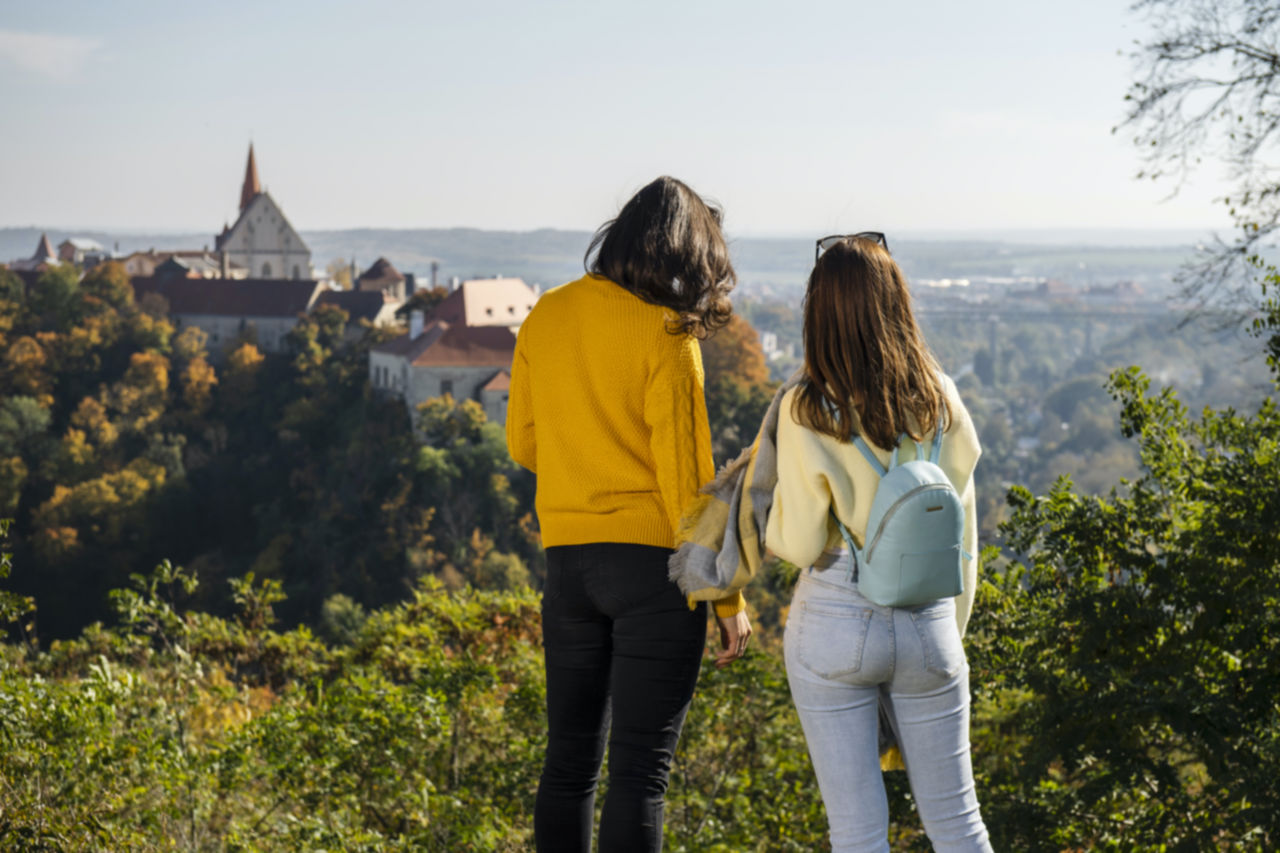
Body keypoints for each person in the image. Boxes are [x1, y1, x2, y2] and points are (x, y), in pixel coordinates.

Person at [506, 176, 753, 853]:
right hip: (653, 572)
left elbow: (522, 441)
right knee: (639, 774)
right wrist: (726, 595)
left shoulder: (546, 314)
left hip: (568, 565)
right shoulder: (668, 334)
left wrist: (583, 463)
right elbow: (686, 485)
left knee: (567, 765)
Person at [765, 234, 992, 852]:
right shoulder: (939, 397)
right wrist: (948, 630)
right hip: (929, 620)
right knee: (959, 822)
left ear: (820, 313)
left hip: (837, 617)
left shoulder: (806, 407)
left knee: (859, 832)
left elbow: (803, 540)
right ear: (897, 303)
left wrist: (771, 520)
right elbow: (963, 529)